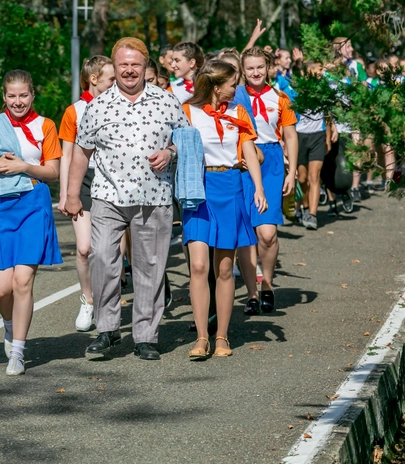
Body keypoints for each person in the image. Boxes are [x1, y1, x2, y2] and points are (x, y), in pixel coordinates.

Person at [63, 37, 189, 361]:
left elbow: (187, 142)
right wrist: (73, 194)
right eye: (123, 65)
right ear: (115, 68)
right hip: (107, 196)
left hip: (154, 197)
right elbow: (82, 151)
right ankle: (107, 329)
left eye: (136, 64)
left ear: (146, 67)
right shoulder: (97, 105)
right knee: (103, 258)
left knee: (151, 266)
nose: (130, 70)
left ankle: (145, 336)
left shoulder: (167, 102)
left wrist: (170, 152)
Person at [0, 70, 63, 376]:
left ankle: (18, 351)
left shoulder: (45, 125)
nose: (18, 101)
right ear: (3, 97)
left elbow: (53, 172)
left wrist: (25, 166)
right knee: (1, 290)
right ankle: (10, 325)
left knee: (22, 281)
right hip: (0, 203)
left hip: (34, 203)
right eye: (11, 96)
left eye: (23, 95)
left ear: (32, 95)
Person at [181, 60, 267, 360]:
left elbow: (248, 153)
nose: (236, 88)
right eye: (232, 84)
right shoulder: (187, 112)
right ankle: (202, 336)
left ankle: (222, 337)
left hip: (230, 186)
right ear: (217, 87)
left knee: (224, 268)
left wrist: (258, 187)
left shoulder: (238, 112)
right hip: (199, 190)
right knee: (199, 266)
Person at [236, 47, 298, 314]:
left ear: (269, 67)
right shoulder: (234, 97)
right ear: (243, 70)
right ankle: (251, 293)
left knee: (268, 234)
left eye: (260, 67)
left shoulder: (280, 97)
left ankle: (267, 284)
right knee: (246, 234)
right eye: (250, 68)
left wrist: (292, 171)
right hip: (240, 161)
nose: (255, 72)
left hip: (271, 161)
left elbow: (291, 136)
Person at [58, 56, 115, 332]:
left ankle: (109, 305)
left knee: (112, 252)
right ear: (94, 79)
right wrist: (64, 193)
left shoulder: (119, 106)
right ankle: (88, 300)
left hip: (114, 181)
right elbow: (66, 155)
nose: (116, 82)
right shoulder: (74, 111)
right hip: (84, 180)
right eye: (111, 78)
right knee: (84, 249)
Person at [295, 60, 335, 230]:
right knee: (302, 179)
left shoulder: (324, 89)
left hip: (318, 136)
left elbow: (327, 114)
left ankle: (312, 215)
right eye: (318, 70)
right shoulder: (297, 89)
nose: (321, 73)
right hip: (299, 136)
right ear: (309, 70)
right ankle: (304, 206)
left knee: (314, 176)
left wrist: (328, 136)